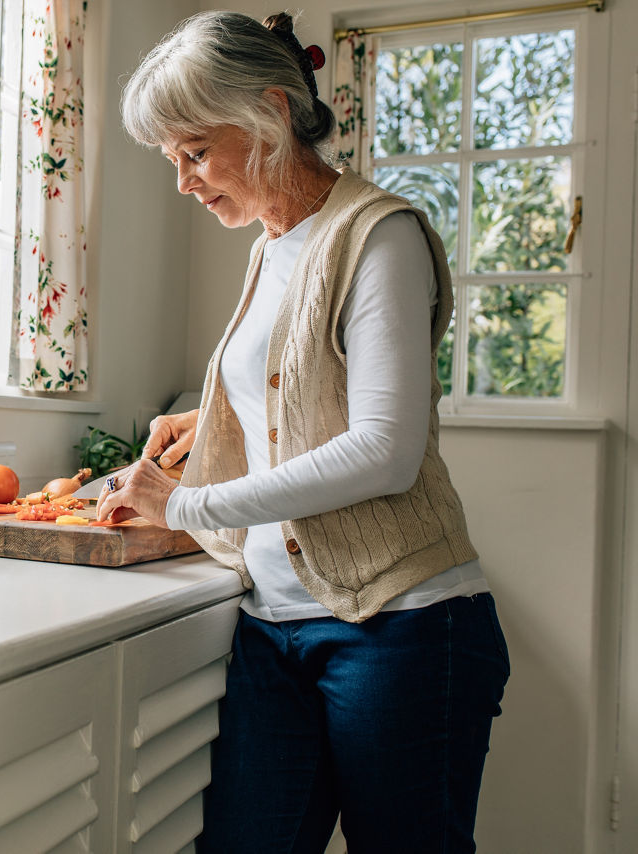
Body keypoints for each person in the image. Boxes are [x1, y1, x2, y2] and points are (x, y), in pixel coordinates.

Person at [99, 10, 511, 853]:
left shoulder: (379, 236)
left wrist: (186, 505)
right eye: (171, 159)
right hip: (273, 627)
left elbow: (383, 452)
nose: (183, 181)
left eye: (195, 152)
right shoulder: (270, 245)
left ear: (271, 113)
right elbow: (297, 395)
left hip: (401, 628)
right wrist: (214, 414)